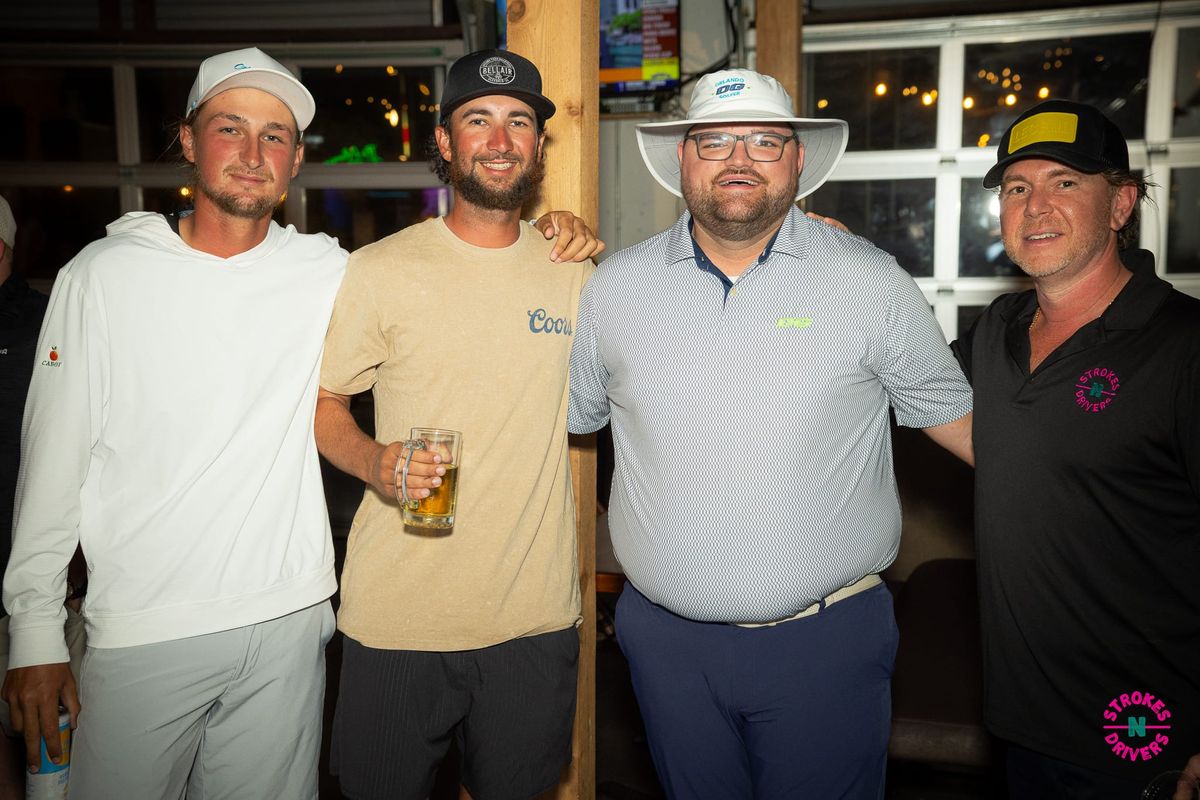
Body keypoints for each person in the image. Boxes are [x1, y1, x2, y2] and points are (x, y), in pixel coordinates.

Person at [568, 68, 974, 799]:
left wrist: (1109, 521)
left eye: (764, 141)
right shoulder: (613, 288)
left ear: (797, 161)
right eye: (714, 141)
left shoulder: (868, 281)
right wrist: (533, 261)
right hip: (665, 647)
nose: (739, 159)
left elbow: (965, 426)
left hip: (827, 645)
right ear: (683, 159)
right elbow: (569, 419)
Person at [1, 47, 347, 799]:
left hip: (287, 620)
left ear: (295, 161)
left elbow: (442, 279)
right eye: (230, 128)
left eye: (275, 135)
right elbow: (53, 459)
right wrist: (32, 632)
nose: (253, 153)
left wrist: (547, 234)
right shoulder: (102, 275)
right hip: (144, 628)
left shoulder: (328, 271)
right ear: (188, 140)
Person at [314, 49, 603, 800]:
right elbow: (324, 404)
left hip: (532, 619)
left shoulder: (573, 270)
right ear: (445, 141)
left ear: (539, 144)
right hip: (397, 617)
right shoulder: (379, 270)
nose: (500, 140)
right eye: (478, 120)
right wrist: (375, 463)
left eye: (519, 122)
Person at [952, 99, 1200, 798]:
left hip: (1147, 736)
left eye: (1065, 182)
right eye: (1016, 188)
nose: (1035, 207)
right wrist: (834, 267)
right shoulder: (995, 332)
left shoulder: (1183, 345)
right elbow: (894, 382)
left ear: (1121, 204)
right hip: (1019, 726)